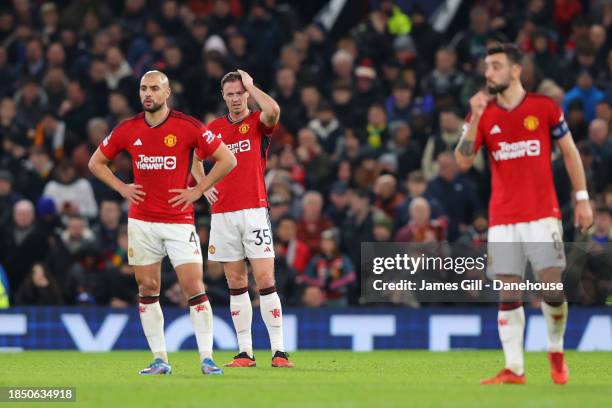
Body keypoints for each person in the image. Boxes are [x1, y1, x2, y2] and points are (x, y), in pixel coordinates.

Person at [455, 43, 593, 385]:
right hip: (502, 216)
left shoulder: (544, 108)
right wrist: (473, 119)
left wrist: (582, 198)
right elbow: (462, 159)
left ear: (516, 70)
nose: (489, 73)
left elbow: (571, 153)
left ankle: (555, 350)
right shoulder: (482, 112)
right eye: (487, 67)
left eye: (497, 66)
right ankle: (514, 368)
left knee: (550, 287)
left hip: (541, 213)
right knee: (508, 290)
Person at [88, 70, 236, 376]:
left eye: (154, 88)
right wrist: (122, 188)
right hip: (141, 222)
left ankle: (207, 358)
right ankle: (159, 358)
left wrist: (198, 189)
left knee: (194, 286)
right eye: (144, 88)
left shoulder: (187, 126)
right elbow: (95, 163)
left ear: (166, 93)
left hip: (179, 221)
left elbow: (227, 159)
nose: (148, 94)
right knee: (147, 287)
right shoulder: (128, 129)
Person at [192, 69, 294, 368]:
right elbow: (195, 158)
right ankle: (245, 352)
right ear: (223, 97)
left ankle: (279, 351)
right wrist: (203, 187)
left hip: (253, 210)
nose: (236, 99)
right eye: (231, 94)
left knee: (264, 278)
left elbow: (273, 109)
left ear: (247, 94)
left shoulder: (257, 122)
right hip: (222, 214)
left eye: (240, 93)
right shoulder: (214, 129)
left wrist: (252, 83)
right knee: (236, 282)